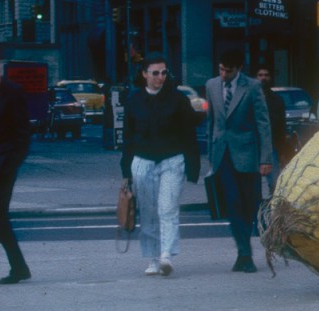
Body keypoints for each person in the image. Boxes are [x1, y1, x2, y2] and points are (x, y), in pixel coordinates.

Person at [121, 55, 201, 276]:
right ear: (145, 74)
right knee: (148, 212)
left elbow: (189, 134)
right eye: (155, 73)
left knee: (167, 209)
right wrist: (126, 172)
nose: (160, 77)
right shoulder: (134, 100)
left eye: (164, 72)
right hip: (142, 162)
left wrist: (193, 167)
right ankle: (153, 259)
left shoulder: (178, 100)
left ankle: (166, 255)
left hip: (172, 160)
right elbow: (128, 138)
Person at [206, 51, 273, 273]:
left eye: (228, 71)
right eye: (221, 69)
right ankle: (244, 252)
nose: (224, 74)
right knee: (232, 202)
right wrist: (210, 156)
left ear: (239, 69)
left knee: (249, 205)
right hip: (222, 155)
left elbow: (263, 123)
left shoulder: (252, 87)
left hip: (247, 155)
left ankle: (243, 251)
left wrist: (265, 158)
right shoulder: (211, 86)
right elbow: (212, 122)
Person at [0, 50, 33, 285]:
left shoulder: (13, 93)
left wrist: (10, 165)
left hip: (2, 169)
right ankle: (19, 268)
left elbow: (23, 137)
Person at [253, 65, 289, 193]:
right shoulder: (250, 98)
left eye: (266, 75)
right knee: (252, 183)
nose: (263, 78)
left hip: (271, 145)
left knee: (274, 182)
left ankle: (273, 208)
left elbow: (281, 125)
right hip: (252, 146)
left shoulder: (276, 100)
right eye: (260, 75)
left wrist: (282, 149)